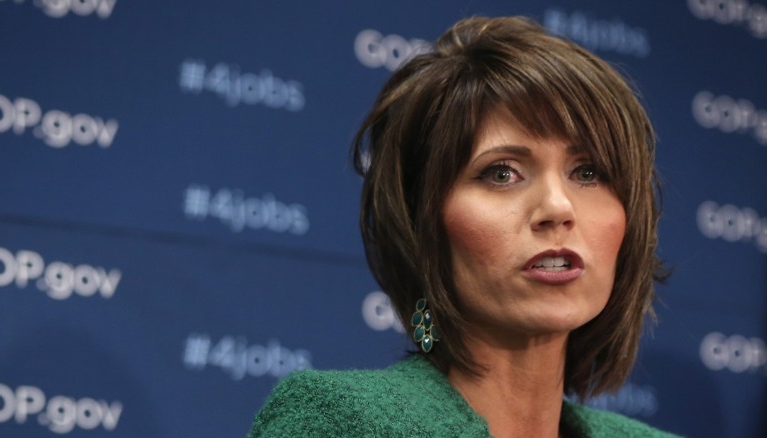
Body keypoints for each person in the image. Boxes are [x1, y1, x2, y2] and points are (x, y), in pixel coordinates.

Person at [250, 16, 676, 437]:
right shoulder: (341, 423)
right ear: (423, 224)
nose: (558, 207)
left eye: (588, 173)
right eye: (502, 173)